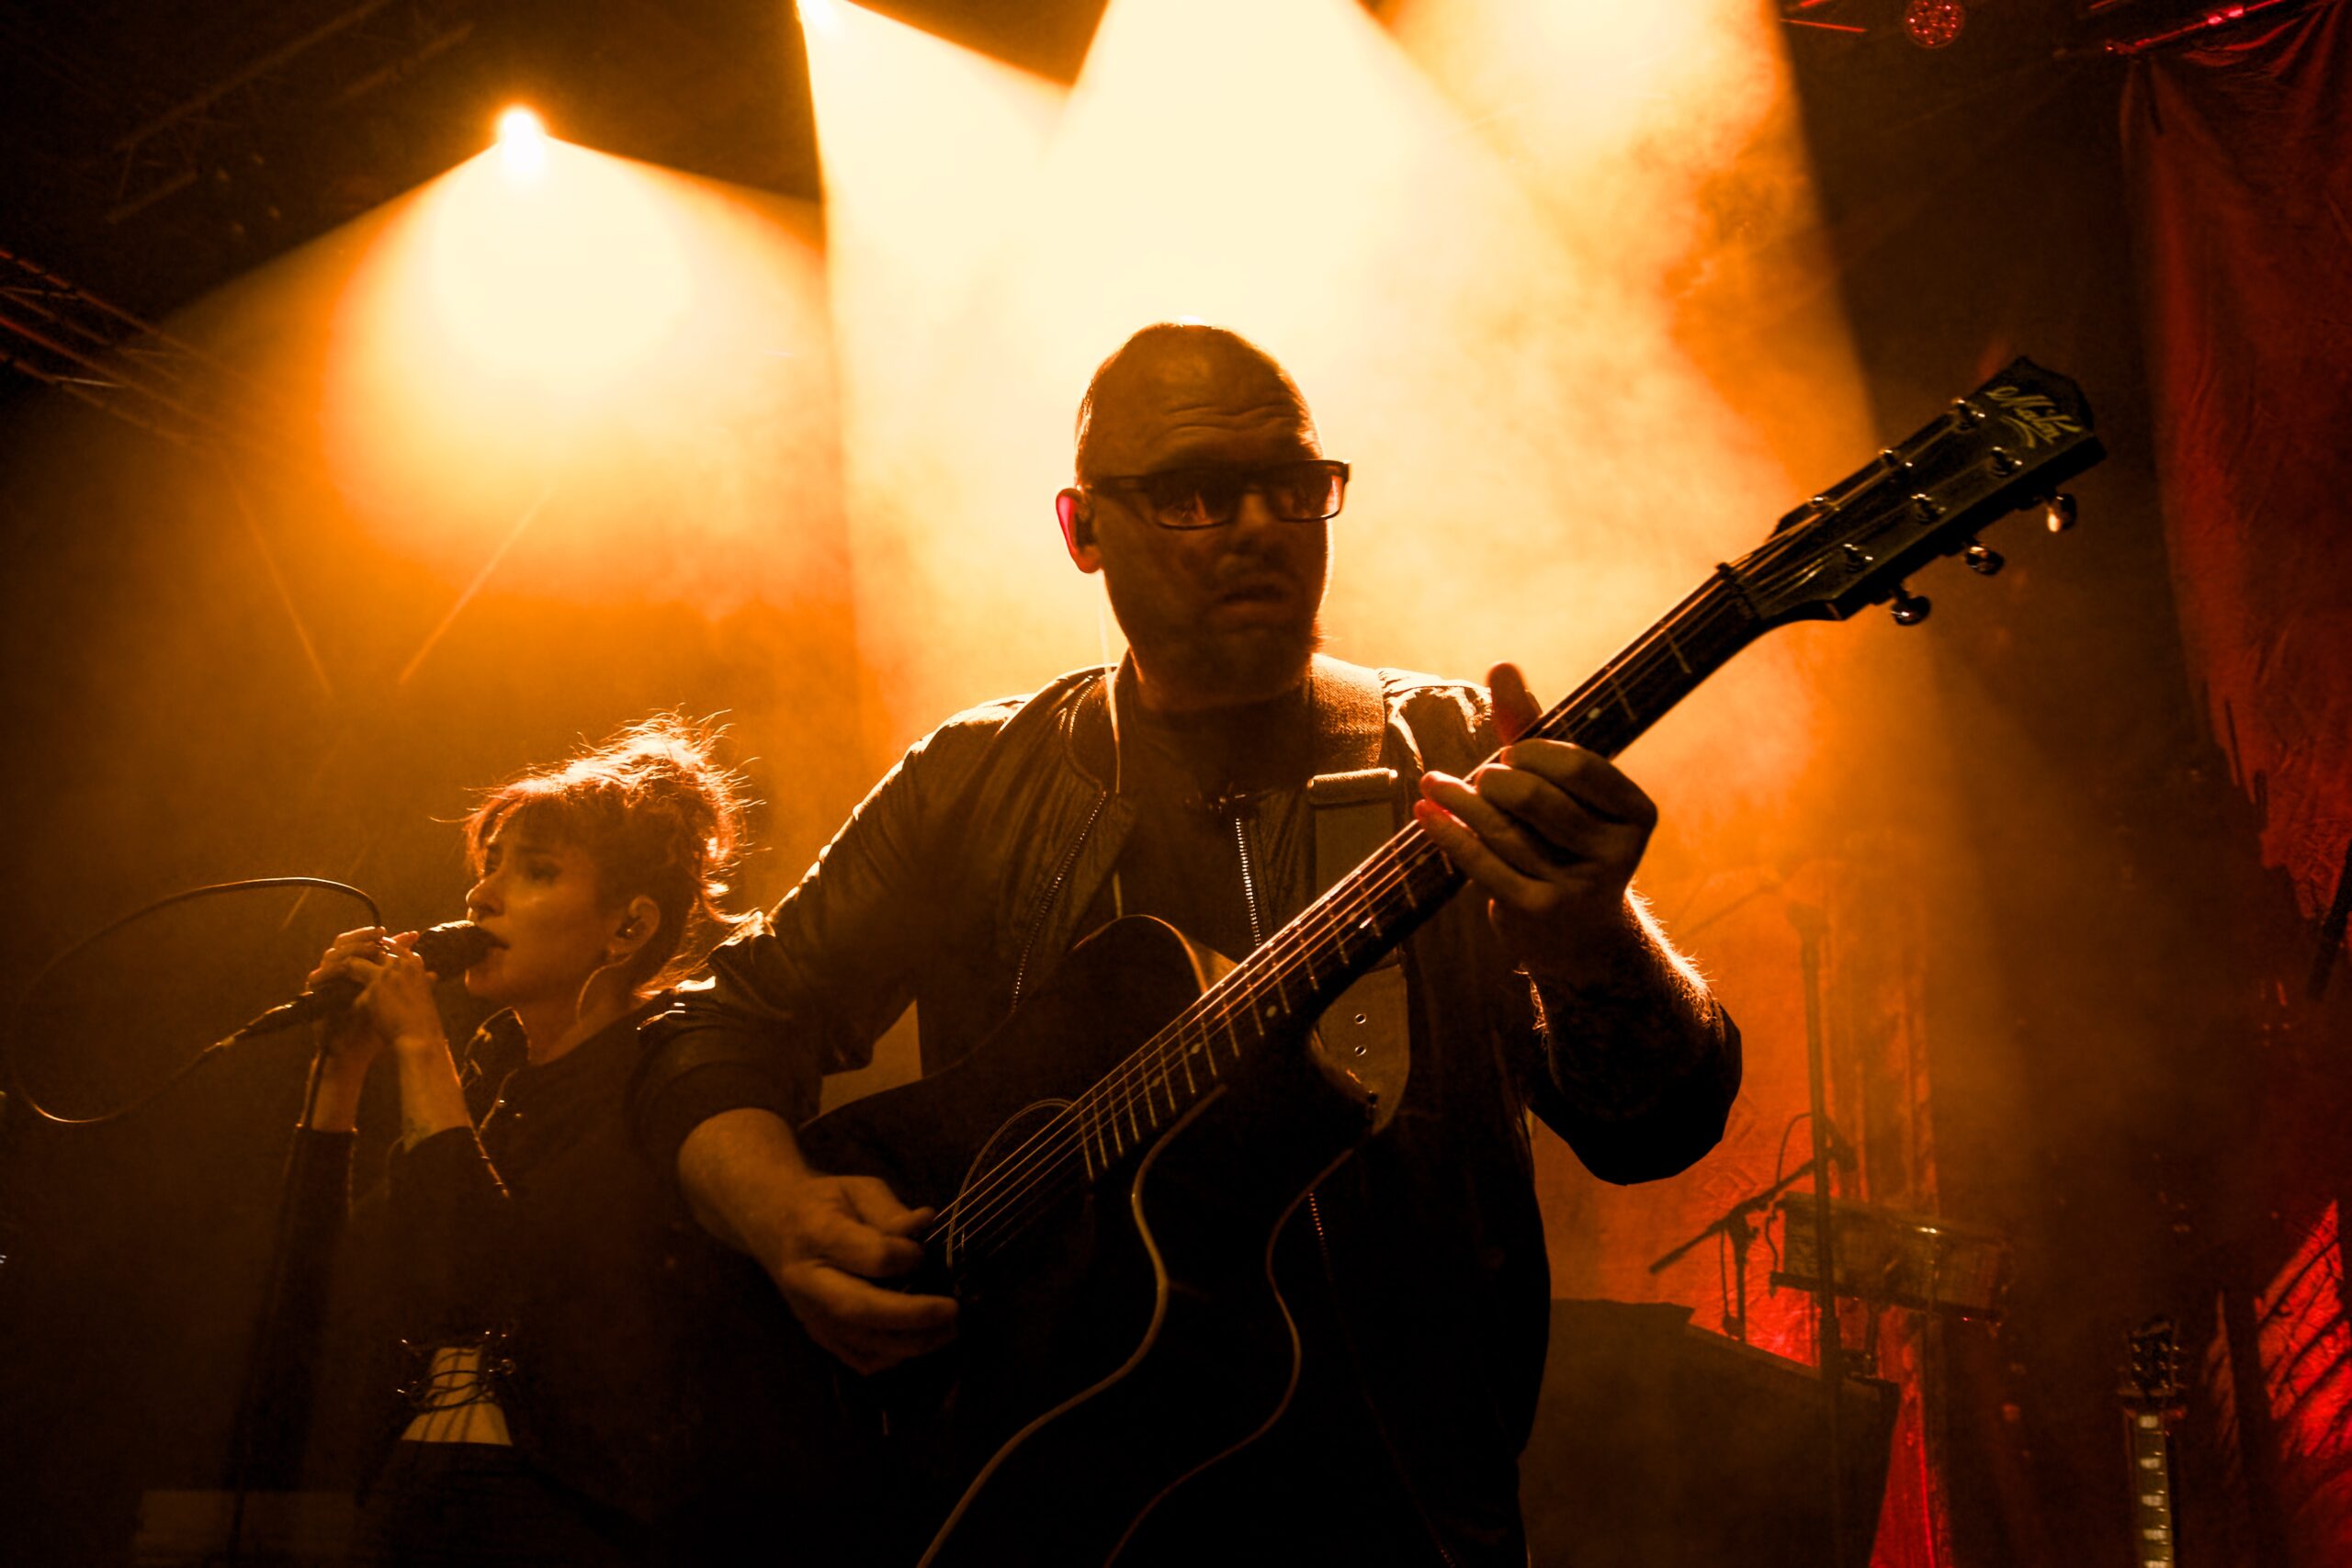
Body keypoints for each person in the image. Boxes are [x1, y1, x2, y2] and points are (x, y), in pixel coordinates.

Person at [629, 323, 1743, 1564]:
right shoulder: (979, 773)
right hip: (1027, 1496)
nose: (1263, 522)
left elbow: (1657, 1125)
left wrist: (1592, 941)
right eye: (1197, 493)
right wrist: (781, 1214)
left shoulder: (1455, 752)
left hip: (1402, 1515)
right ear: (1082, 529)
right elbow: (716, 1026)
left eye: (1296, 483)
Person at [287, 718, 866, 1565]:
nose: (483, 897)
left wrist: (418, 1049)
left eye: (537, 871)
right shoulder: (489, 1084)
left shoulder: (673, 1076)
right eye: (489, 868)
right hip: (415, 1504)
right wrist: (338, 1079)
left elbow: (486, 1283)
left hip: (577, 1521)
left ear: (627, 928)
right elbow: (321, 1299)